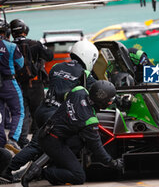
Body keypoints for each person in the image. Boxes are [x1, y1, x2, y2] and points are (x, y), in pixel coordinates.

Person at [0, 40, 99, 183]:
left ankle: (15, 169)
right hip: (55, 114)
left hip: (43, 109)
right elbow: (99, 91)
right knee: (39, 145)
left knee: (39, 143)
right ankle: (9, 170)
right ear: (88, 56)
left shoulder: (57, 67)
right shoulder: (84, 74)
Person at [21, 80, 124, 187]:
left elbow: (66, 97)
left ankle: (54, 167)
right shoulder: (89, 120)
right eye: (109, 100)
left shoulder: (79, 91)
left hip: (45, 131)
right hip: (53, 141)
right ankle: (40, 173)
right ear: (102, 101)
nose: (111, 102)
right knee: (79, 176)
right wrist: (113, 163)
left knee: (79, 139)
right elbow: (97, 148)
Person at [10, 19, 54, 148]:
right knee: (38, 113)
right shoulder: (35, 44)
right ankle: (36, 139)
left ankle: (22, 140)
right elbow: (50, 56)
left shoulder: (10, 46)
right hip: (36, 84)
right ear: (25, 30)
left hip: (17, 84)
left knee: (21, 113)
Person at [0, 18, 25, 154]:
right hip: (8, 82)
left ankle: (0, 141)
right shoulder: (11, 46)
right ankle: (13, 139)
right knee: (18, 111)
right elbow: (20, 64)